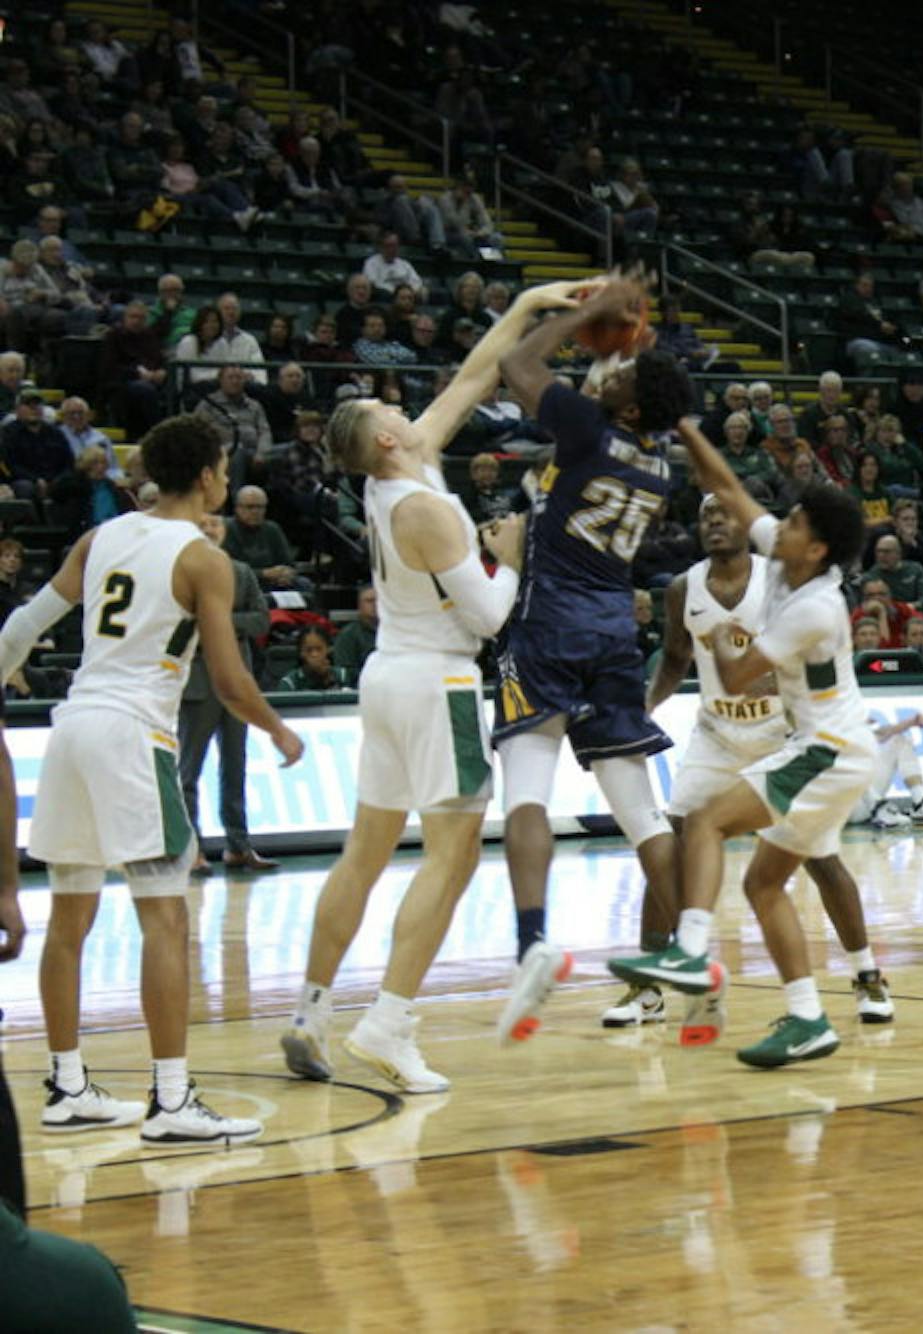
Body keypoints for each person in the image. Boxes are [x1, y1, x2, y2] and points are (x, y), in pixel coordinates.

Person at [281, 280, 578, 1093]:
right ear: (384, 444)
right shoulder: (424, 505)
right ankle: (390, 1021)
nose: (404, 411)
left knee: (365, 853)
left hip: (387, 679)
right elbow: (488, 618)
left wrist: (529, 304)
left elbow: (474, 376)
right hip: (437, 683)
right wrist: (513, 548)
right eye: (390, 414)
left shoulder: (399, 475)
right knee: (450, 859)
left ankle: (310, 1011)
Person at [0, 415, 302, 1144]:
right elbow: (229, 681)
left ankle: (67, 1085)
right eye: (224, 467)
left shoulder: (102, 538)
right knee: (164, 915)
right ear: (206, 476)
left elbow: (20, 629)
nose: (227, 480)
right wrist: (279, 729)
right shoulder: (205, 560)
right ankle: (171, 1101)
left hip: (70, 727)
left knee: (70, 917)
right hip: (135, 733)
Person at [608, 412, 875, 1069]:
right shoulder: (792, 565)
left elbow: (734, 672)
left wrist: (725, 636)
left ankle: (691, 947)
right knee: (761, 886)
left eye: (793, 525)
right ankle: (809, 1020)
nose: (776, 527)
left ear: (813, 548)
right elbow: (728, 487)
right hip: (820, 749)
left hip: (826, 754)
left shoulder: (814, 607)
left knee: (704, 821)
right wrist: (686, 428)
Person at [486, 293, 693, 1047]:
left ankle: (532, 942)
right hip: (613, 632)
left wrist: (579, 315)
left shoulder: (587, 426)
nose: (613, 374)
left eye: (625, 375)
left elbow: (516, 364)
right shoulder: (662, 465)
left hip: (548, 626)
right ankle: (683, 953)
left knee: (527, 794)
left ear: (633, 405)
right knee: (641, 814)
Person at [179, 514, 277, 875]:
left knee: (235, 767)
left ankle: (238, 845)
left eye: (215, 526)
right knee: (188, 770)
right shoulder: (182, 570)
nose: (209, 531)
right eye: (202, 525)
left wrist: (219, 622)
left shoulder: (241, 571)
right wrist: (223, 624)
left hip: (237, 682)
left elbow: (261, 620)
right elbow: (184, 624)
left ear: (224, 531)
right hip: (198, 684)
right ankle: (191, 850)